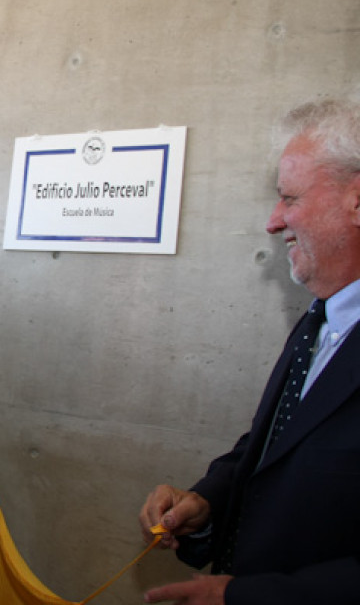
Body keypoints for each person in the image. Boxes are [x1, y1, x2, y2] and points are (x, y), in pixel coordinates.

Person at [139, 98, 360, 605]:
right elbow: (276, 447)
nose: (273, 221)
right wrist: (208, 503)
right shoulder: (321, 317)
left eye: (289, 198)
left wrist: (248, 597)